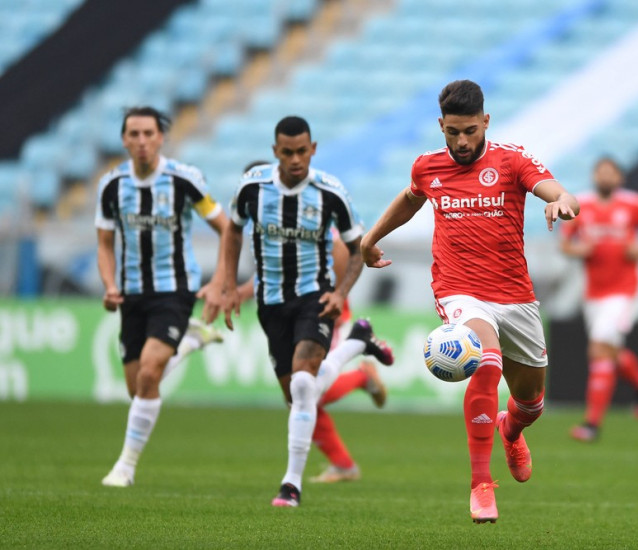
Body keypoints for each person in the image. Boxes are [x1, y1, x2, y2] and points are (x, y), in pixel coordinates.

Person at [361, 80, 579, 523]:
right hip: (458, 289)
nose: (462, 141)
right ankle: (481, 484)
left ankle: (510, 429)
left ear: (486, 122)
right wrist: (370, 239)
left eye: (470, 131)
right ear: (441, 125)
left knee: (531, 402)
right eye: (453, 132)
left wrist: (563, 204)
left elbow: (559, 191)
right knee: (486, 361)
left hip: (515, 295)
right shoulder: (428, 166)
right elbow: (410, 198)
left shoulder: (511, 160)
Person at [202, 116, 393, 507]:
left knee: (306, 386)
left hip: (316, 298)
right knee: (296, 396)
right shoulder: (252, 188)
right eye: (287, 152)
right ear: (275, 152)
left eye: (301, 151)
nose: (294, 159)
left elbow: (355, 248)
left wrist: (341, 294)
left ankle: (291, 485)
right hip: (272, 304)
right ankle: (357, 345)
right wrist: (226, 282)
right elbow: (233, 232)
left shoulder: (330, 193)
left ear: (313, 149)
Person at [95, 106, 227, 487]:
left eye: (148, 134)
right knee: (139, 387)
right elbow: (104, 244)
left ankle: (125, 467)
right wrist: (109, 284)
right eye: (133, 134)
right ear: (123, 139)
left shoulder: (184, 181)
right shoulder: (112, 186)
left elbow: (224, 228)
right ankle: (188, 342)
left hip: (175, 288)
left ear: (160, 137)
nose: (141, 142)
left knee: (151, 372)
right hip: (132, 292)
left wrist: (219, 279)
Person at [560, 157, 638, 442]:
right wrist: (580, 250)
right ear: (594, 176)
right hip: (594, 293)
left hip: (623, 291)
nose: (605, 177)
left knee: (598, 349)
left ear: (620, 178)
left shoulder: (634, 204)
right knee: (609, 352)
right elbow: (566, 244)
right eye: (600, 172)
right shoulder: (581, 204)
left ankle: (592, 424)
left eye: (611, 173)